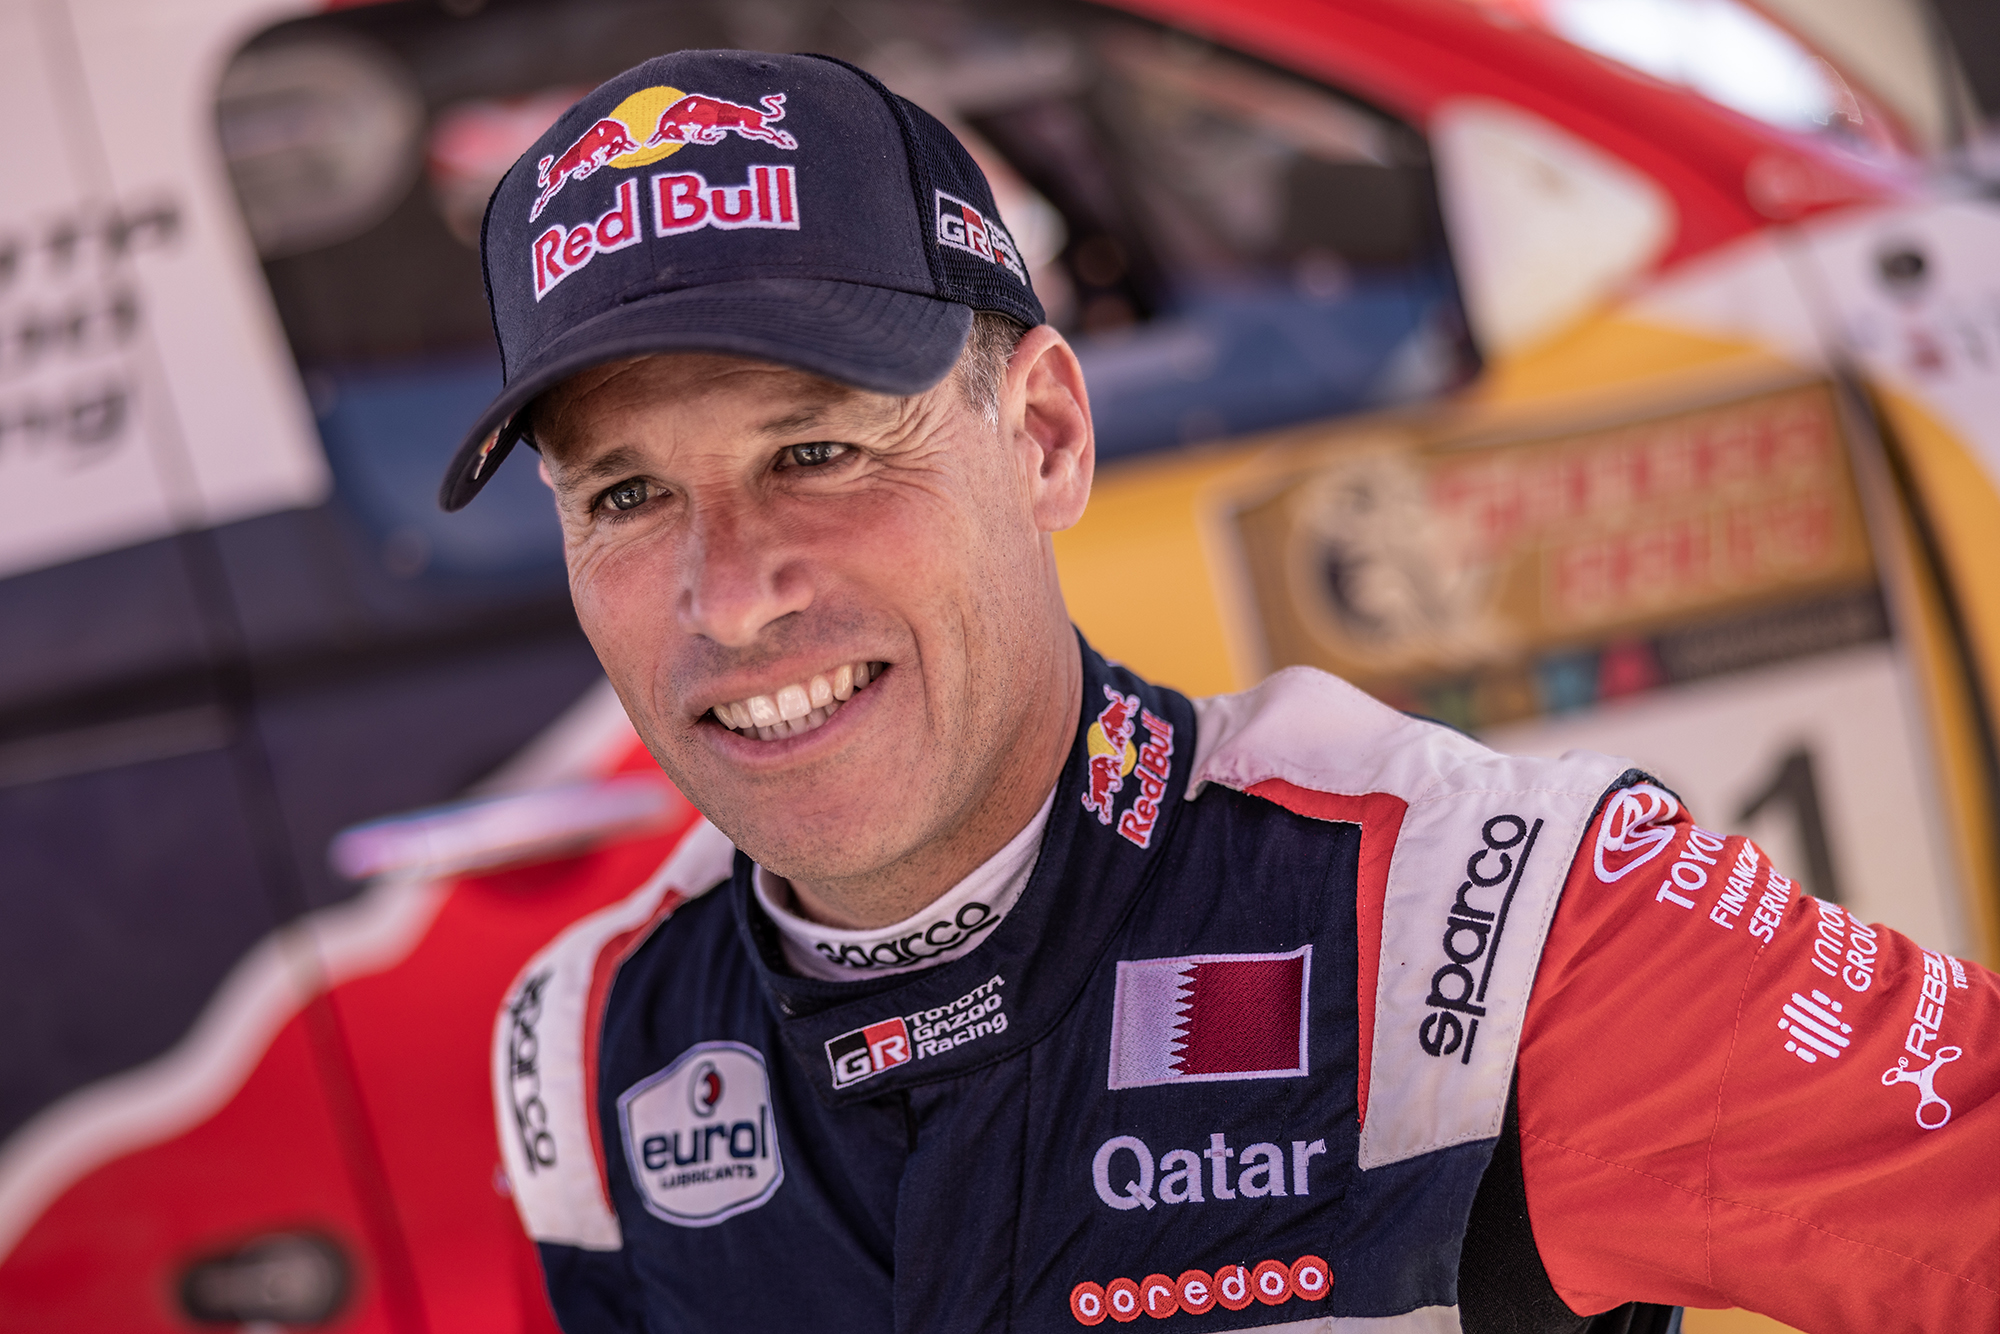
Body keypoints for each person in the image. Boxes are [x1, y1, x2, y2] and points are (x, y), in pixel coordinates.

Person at [455, 49, 1997, 1334]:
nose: (730, 593)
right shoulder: (587, 1052)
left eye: (818, 451)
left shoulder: (1477, 925)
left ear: (1045, 437)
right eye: (626, 496)